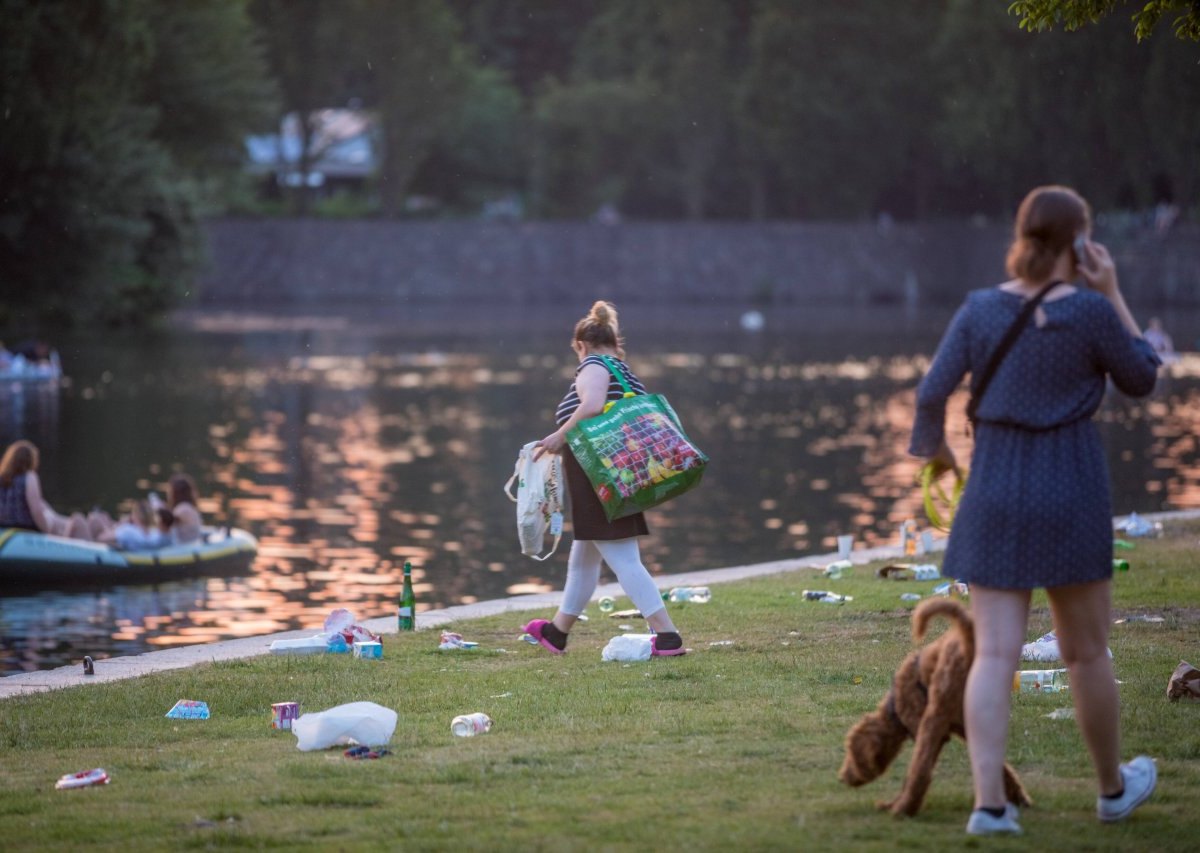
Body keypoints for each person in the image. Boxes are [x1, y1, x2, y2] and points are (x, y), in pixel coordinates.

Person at [909, 186, 1161, 835]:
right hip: (1070, 489)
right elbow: (1142, 376)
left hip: (993, 488)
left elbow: (931, 393)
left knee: (995, 653)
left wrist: (938, 460)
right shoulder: (1091, 312)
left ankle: (989, 806)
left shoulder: (979, 309)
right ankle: (1110, 790)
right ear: (1079, 242)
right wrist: (1113, 292)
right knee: (1084, 652)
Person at [525, 301, 686, 656]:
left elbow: (593, 405)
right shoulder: (622, 370)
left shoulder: (593, 367)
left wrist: (558, 436)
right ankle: (557, 632)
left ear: (580, 346)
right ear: (615, 343)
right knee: (584, 555)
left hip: (599, 474)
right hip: (618, 471)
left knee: (623, 558)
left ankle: (668, 635)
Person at [0, 439, 91, 539]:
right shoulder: (29, 477)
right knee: (77, 519)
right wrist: (47, 533)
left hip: (5, 532)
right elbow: (36, 510)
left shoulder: (2, 479)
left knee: (61, 518)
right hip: (27, 532)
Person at [166, 472, 203, 544]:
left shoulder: (183, 509)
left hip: (186, 548)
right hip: (190, 545)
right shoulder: (189, 507)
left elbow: (167, 523)